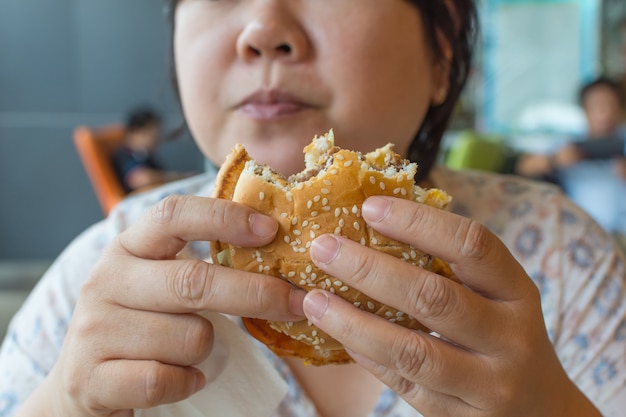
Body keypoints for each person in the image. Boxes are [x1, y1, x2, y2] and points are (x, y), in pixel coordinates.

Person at [0, 1, 624, 416]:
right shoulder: (103, 273)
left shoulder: (561, 257)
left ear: (442, 51)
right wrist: (65, 401)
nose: (262, 30)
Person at [515, 76, 626, 242]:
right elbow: (524, 166)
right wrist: (555, 160)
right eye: (597, 106)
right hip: (587, 235)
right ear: (585, 109)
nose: (605, 112)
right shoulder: (569, 146)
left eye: (610, 104)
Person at [112, 106, 189, 193]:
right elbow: (139, 179)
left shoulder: (146, 155)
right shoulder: (124, 155)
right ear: (135, 132)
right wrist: (175, 177)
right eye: (151, 133)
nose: (156, 139)